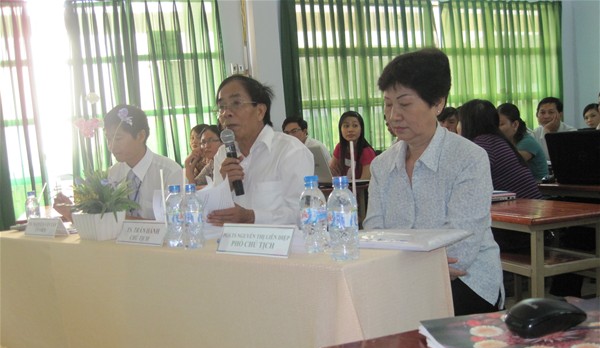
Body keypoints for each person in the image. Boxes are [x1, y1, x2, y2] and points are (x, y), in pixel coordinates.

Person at [364, 48, 504, 316]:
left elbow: (461, 248)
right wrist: (413, 267)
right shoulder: (382, 165)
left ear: (438, 103)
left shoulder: (468, 157)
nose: (393, 115)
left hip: (465, 281)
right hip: (400, 278)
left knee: (406, 315)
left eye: (405, 104)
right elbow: (375, 233)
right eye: (388, 104)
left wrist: (407, 267)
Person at [207, 75, 313, 226]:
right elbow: (214, 216)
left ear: (260, 111)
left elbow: (303, 214)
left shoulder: (291, 151)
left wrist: (251, 217)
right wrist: (225, 187)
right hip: (231, 240)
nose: (226, 113)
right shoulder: (223, 154)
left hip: (280, 241)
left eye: (236, 103)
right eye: (221, 107)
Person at [55, 104, 181, 221]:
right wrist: (73, 211)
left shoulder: (170, 173)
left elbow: (177, 224)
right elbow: (100, 222)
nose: (111, 146)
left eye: (118, 138)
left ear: (141, 136)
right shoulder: (111, 175)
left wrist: (117, 219)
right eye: (108, 139)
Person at [460, 100, 542, 199]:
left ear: (468, 123)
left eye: (460, 121)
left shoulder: (484, 144)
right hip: (528, 203)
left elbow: (467, 180)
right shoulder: (494, 139)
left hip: (525, 205)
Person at [497, 102, 548, 182]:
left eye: (501, 124)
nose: (497, 129)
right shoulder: (506, 141)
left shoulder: (527, 142)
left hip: (540, 187)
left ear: (515, 124)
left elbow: (509, 165)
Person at [329, 111, 376, 180]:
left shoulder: (367, 152)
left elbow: (365, 181)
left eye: (355, 126)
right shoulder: (339, 147)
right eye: (346, 126)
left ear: (361, 129)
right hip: (343, 186)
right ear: (340, 129)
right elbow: (331, 173)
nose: (350, 130)